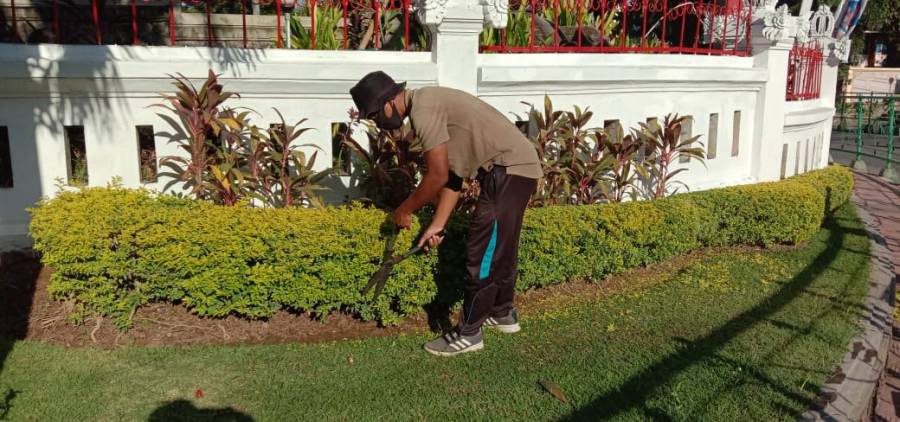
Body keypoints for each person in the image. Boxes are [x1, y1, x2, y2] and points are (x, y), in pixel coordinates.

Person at [350, 71, 541, 357]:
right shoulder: (431, 103)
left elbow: (436, 175)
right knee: (500, 246)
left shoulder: (423, 107)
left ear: (389, 103)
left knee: (483, 250)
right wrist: (437, 225)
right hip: (513, 170)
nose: (378, 123)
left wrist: (404, 210)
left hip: (508, 170)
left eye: (375, 116)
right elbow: (453, 176)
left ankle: (469, 333)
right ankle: (502, 313)